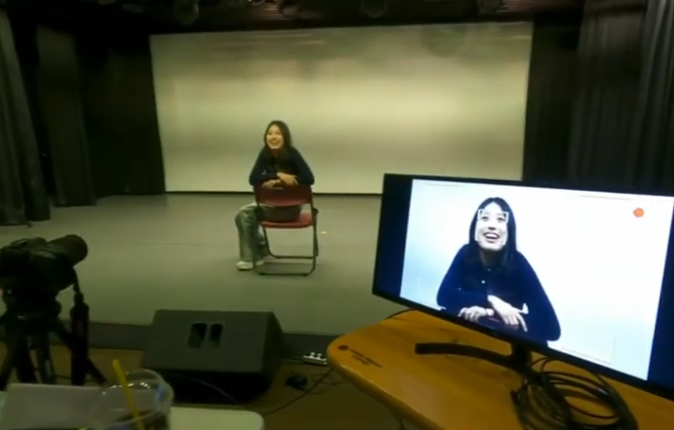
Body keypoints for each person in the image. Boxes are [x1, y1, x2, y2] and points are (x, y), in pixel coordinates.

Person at [435, 197, 561, 344]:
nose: (492, 226)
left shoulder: (519, 264)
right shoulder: (466, 253)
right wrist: (491, 300)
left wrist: (488, 313)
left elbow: (551, 328)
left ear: (509, 232)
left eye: (500, 219)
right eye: (485, 218)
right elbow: (443, 296)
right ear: (475, 227)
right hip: (469, 338)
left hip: (503, 344)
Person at [234, 120, 315, 271]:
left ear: (285, 137)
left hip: (290, 210)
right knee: (242, 215)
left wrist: (279, 182)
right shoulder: (265, 153)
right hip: (270, 207)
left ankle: (251, 258)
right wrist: (278, 175)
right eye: (270, 133)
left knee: (245, 213)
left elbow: (309, 179)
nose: (273, 137)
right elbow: (253, 178)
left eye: (278, 133)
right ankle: (261, 249)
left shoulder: (293, 154)